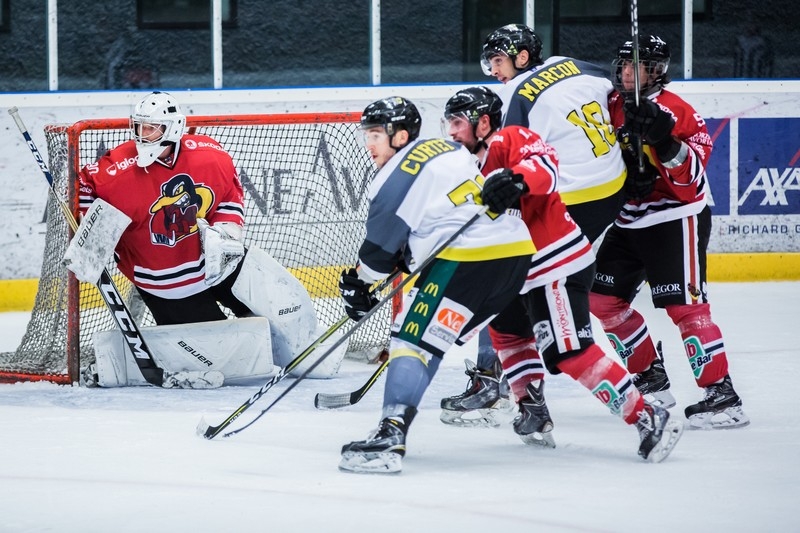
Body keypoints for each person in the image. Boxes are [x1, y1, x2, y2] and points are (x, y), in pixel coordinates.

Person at [441, 85, 683, 460]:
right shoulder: (458, 168)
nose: (452, 132)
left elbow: (546, 167)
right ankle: (532, 410)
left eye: (457, 123)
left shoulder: (511, 138)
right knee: (506, 333)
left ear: (483, 122)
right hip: (516, 272)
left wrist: (518, 180)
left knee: (570, 352)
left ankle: (648, 415)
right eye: (448, 124)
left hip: (556, 264)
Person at [69, 91, 344, 387]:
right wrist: (93, 228)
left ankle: (304, 349)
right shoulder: (117, 169)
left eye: (151, 127)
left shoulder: (209, 156)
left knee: (278, 301)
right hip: (165, 281)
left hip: (217, 261)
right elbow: (83, 186)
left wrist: (226, 233)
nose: (142, 134)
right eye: (138, 126)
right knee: (225, 353)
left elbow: (229, 194)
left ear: (172, 128)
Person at [440, 23, 627, 430]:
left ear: (522, 57)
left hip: (568, 192)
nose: (493, 70)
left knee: (502, 272)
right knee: (517, 278)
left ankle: (493, 378)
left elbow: (495, 146)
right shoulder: (575, 65)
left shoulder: (509, 95)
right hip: (613, 183)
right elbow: (619, 88)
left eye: (498, 60)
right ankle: (514, 373)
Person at [337, 96, 536, 474]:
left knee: (410, 341)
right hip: (514, 255)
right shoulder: (449, 148)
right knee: (431, 342)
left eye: (376, 134)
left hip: (465, 259)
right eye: (368, 134)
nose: (369, 144)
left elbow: (379, 256)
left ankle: (390, 434)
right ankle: (531, 405)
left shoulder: (390, 177)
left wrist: (358, 283)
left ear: (401, 135)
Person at [589, 35, 750, 430]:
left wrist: (663, 140)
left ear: (656, 71)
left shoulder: (679, 112)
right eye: (624, 66)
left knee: (686, 308)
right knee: (602, 301)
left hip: (676, 218)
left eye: (637, 67)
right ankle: (650, 377)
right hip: (628, 220)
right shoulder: (608, 104)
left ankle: (722, 395)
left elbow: (692, 180)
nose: (627, 74)